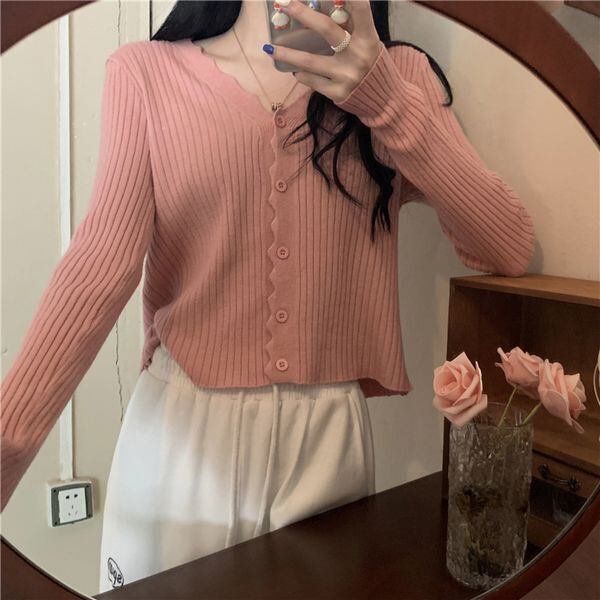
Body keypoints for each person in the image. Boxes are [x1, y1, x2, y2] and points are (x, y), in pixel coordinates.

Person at [0, 0, 536, 593]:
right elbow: (98, 268)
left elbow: (507, 246)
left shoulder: (396, 75)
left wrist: (381, 98)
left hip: (327, 443)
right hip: (180, 437)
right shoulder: (145, 73)